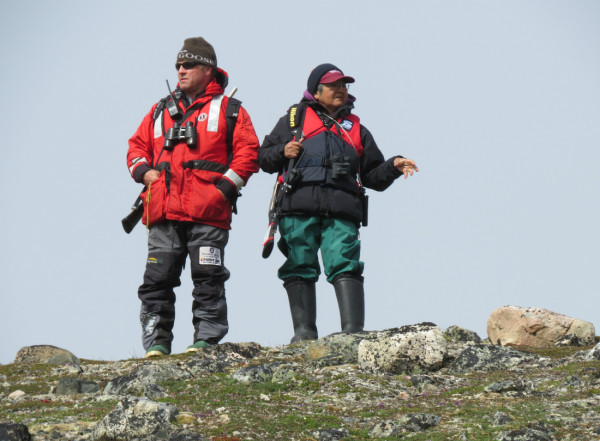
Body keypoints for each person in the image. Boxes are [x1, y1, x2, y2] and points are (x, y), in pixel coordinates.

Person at [258, 63, 418, 343]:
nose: (341, 90)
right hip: (297, 207)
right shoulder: (293, 120)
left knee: (345, 263)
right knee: (299, 263)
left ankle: (352, 333)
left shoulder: (356, 129)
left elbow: (372, 177)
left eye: (344, 86)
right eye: (334, 86)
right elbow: (264, 158)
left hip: (342, 212)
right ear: (316, 91)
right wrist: (283, 150)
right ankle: (304, 334)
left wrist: (393, 164)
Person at [126, 37, 259, 357]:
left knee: (208, 277)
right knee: (156, 281)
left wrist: (222, 191)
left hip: (208, 212)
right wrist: (145, 173)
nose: (181, 70)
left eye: (188, 65)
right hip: (162, 210)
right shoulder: (159, 110)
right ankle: (156, 345)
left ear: (207, 69)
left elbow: (248, 153)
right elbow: (135, 147)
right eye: (178, 66)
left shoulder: (230, 109)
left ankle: (205, 341)